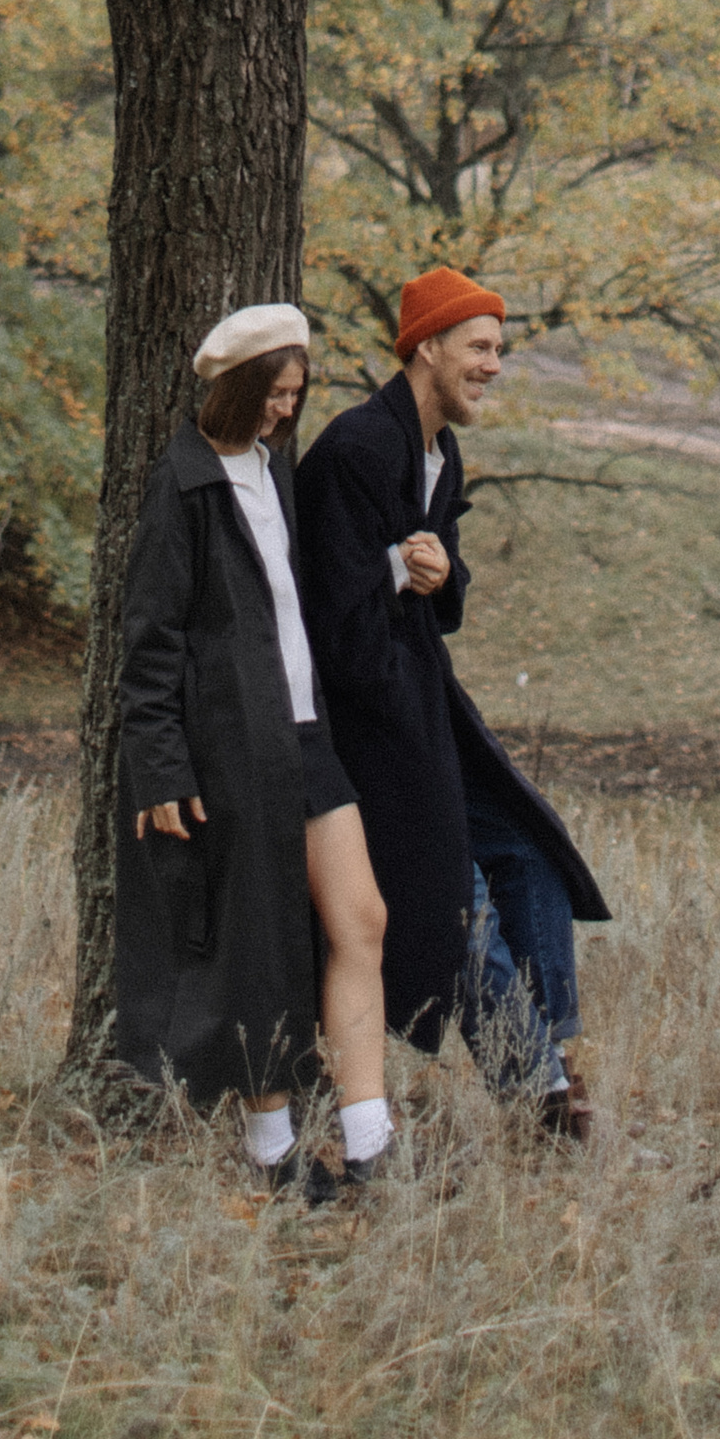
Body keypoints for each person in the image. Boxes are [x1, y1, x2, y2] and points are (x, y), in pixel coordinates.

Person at [295, 266, 609, 1139]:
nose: (493, 366)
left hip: (427, 713)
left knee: (532, 857)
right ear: (425, 347)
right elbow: (331, 628)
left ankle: (555, 1060)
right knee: (452, 896)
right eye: (479, 347)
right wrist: (403, 570)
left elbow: (445, 586)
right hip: (366, 736)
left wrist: (436, 575)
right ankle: (538, 1093)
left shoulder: (440, 452)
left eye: (499, 349)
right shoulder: (358, 452)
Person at [114, 302, 398, 1199]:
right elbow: (148, 643)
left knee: (361, 921)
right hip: (231, 750)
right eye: (276, 394)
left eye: (297, 393)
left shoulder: (274, 472)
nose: (287, 411)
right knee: (260, 949)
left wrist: (391, 572)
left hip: (306, 733)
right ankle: (273, 1155)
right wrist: (161, 766)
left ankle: (370, 1141)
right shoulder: (184, 486)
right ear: (240, 389)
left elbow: (295, 598)